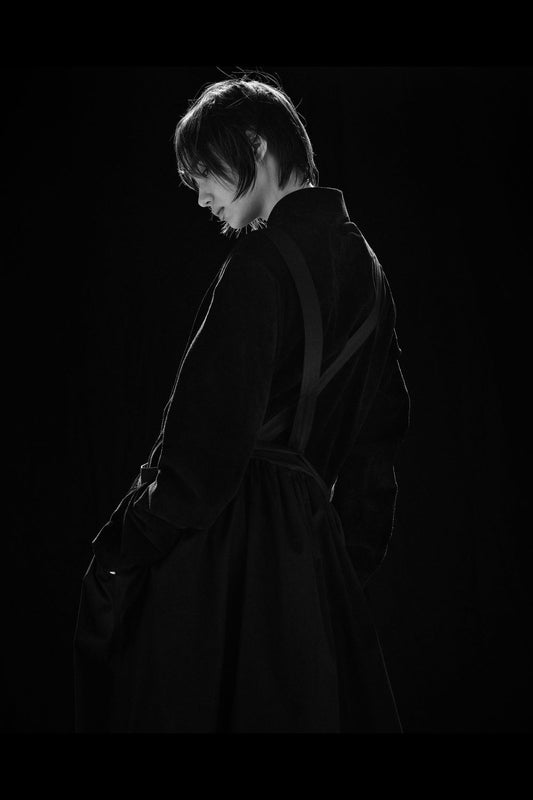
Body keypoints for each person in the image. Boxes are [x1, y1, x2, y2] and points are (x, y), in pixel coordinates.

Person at [73, 72, 411, 733]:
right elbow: (377, 455)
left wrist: (124, 543)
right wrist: (334, 573)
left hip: (225, 560)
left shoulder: (259, 261)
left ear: (256, 146)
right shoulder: (373, 279)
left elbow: (204, 451)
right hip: (311, 568)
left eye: (203, 171)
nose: (199, 194)